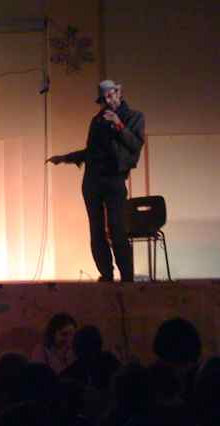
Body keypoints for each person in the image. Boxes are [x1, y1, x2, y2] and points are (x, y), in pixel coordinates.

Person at [47, 80, 145, 282]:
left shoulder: (134, 117)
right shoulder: (97, 121)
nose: (108, 101)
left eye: (111, 95)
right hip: (93, 180)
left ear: (119, 92)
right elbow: (91, 152)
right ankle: (106, 274)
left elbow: (135, 145)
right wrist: (65, 158)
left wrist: (118, 124)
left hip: (114, 179)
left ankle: (127, 276)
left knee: (117, 228)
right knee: (96, 230)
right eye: (104, 98)